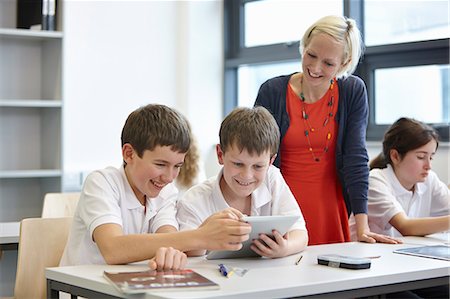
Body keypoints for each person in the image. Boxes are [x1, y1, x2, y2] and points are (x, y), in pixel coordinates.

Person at [254, 15, 399, 245]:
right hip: (280, 206)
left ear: (344, 63)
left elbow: (355, 157)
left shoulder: (352, 91)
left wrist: (363, 228)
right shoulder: (272, 91)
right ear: (304, 45)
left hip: (329, 208)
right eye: (311, 55)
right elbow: (256, 157)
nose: (315, 68)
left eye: (328, 63)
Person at [60, 104, 251, 269]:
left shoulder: (166, 192)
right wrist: (201, 236)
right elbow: (113, 249)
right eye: (160, 164)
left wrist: (170, 254)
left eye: (177, 166)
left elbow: (168, 239)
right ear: (129, 154)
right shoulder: (102, 182)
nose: (169, 177)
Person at [177, 106, 308, 258]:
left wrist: (285, 248)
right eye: (238, 164)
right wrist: (204, 234)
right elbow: (188, 252)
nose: (247, 175)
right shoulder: (194, 200)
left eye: (258, 166)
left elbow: (300, 233)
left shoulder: (271, 178)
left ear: (271, 161)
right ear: (220, 154)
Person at [350, 117, 449, 239]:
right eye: (421, 157)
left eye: (431, 157)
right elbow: (405, 226)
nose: (428, 166)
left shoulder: (430, 179)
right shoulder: (376, 181)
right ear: (395, 156)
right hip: (365, 254)